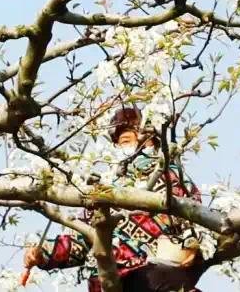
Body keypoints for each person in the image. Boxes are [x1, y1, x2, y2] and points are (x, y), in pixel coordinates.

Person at [23, 107, 205, 292]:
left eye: (129, 138)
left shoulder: (172, 177)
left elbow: (198, 217)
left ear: (150, 139)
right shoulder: (106, 187)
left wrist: (194, 244)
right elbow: (82, 236)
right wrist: (44, 253)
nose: (123, 146)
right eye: (119, 142)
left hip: (162, 269)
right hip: (114, 275)